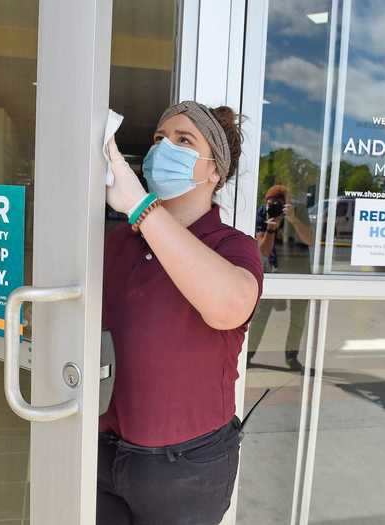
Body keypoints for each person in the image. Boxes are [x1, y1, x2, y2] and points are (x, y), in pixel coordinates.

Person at [98, 100, 264, 525]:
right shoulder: (119, 242)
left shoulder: (232, 246)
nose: (162, 149)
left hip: (187, 468)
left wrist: (142, 208)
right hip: (103, 449)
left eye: (183, 140)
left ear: (215, 171)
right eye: (158, 139)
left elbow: (229, 306)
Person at [248, 185, 312, 371]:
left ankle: (292, 357)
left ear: (287, 204)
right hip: (272, 271)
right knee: (261, 315)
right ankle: (249, 354)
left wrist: (293, 220)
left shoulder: (298, 211)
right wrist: (271, 229)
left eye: (278, 205)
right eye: (270, 204)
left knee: (298, 317)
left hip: (300, 271)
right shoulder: (263, 213)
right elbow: (263, 251)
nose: (274, 207)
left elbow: (309, 240)